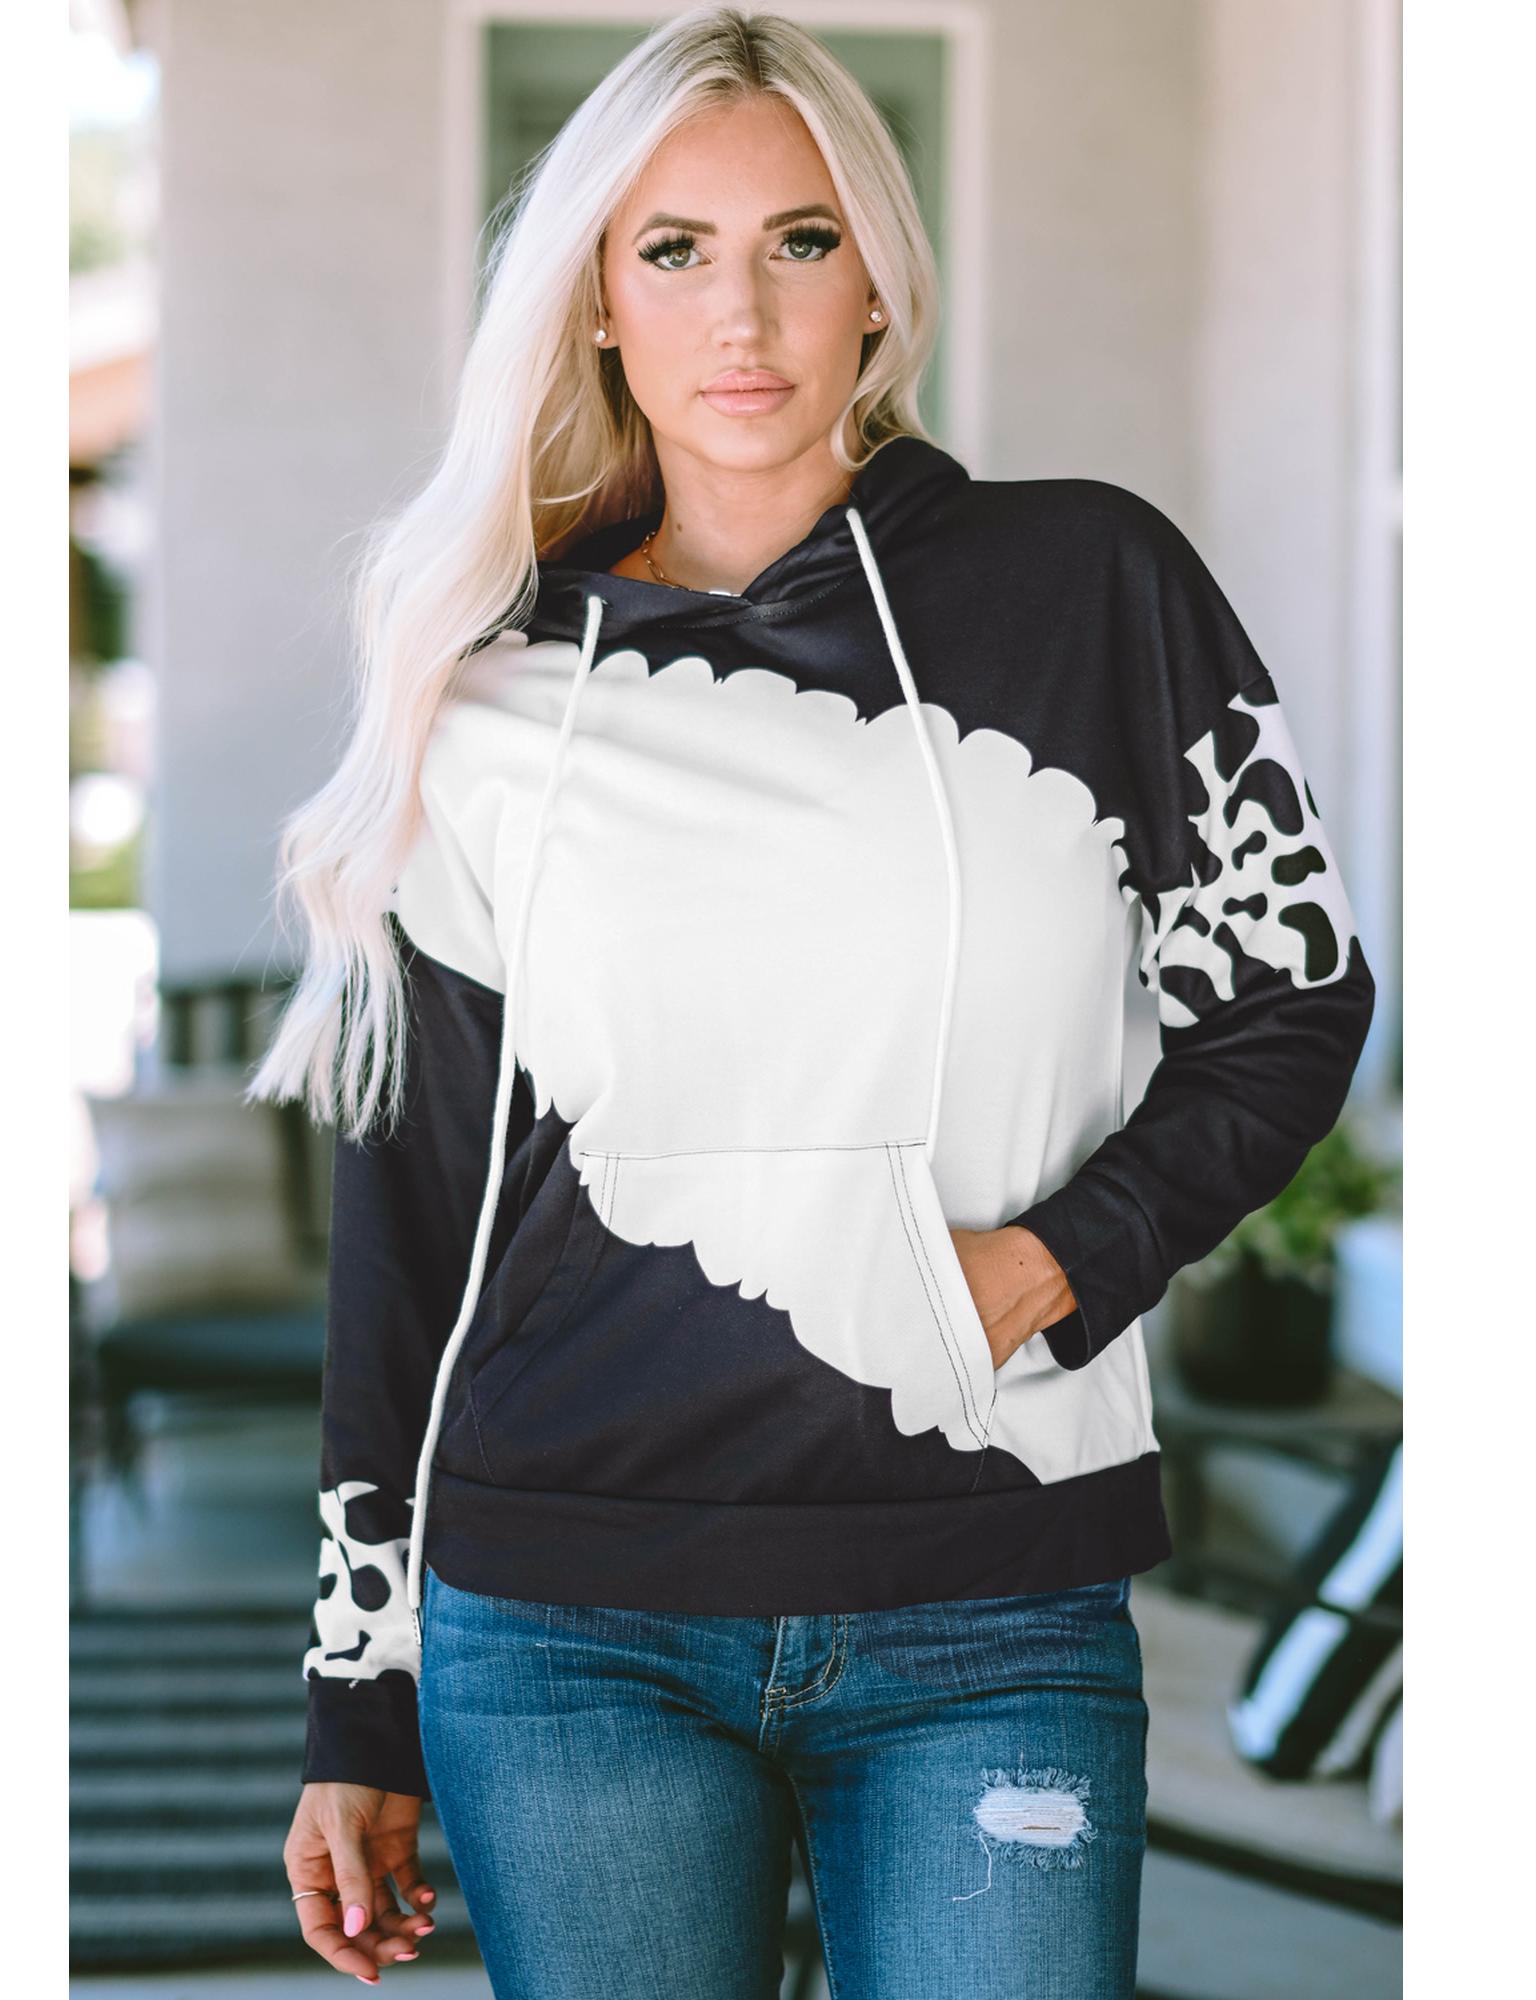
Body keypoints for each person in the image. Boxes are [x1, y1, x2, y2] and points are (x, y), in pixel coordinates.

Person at [252, 7, 1376, 1995]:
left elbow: (1288, 996)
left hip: (989, 1599)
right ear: (597, 303)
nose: (742, 311)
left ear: (878, 272)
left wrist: (1054, 1262)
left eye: (800, 237)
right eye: (672, 250)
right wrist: (359, 1685)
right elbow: (415, 1212)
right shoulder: (488, 689)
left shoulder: (1093, 585)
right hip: (566, 1614)